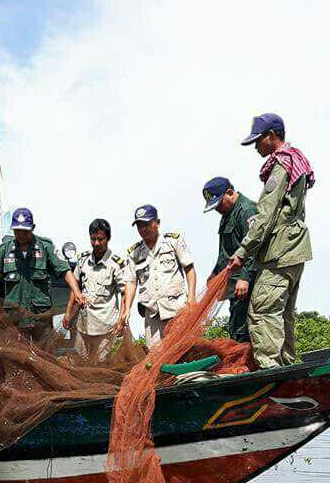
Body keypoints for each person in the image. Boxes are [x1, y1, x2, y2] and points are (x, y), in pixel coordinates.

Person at [229, 113, 314, 369]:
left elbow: (265, 215)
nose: (256, 147)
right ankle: (288, 372)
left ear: (271, 136)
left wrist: (243, 251)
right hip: (295, 249)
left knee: (262, 311)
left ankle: (271, 375)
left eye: (258, 141)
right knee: (283, 314)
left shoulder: (281, 165)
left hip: (279, 252)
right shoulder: (295, 159)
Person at [0, 208, 83, 339]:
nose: (21, 234)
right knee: (17, 355)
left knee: (44, 353)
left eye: (24, 230)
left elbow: (65, 270)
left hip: (40, 316)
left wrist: (77, 292)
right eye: (17, 230)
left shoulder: (45, 247)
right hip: (15, 318)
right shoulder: (4, 249)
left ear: (32, 228)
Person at [118, 205, 197, 345]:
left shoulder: (173, 241)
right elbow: (131, 282)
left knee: (182, 349)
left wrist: (191, 297)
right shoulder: (134, 252)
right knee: (155, 356)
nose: (143, 229)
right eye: (139, 225)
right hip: (152, 313)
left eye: (147, 224)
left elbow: (189, 269)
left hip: (176, 308)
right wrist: (127, 309)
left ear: (157, 223)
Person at [63, 218, 126, 361]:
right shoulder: (83, 260)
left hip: (105, 327)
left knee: (100, 366)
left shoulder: (116, 264)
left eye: (100, 239)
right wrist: (68, 313)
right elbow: (75, 287)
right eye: (93, 239)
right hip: (83, 325)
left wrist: (122, 318)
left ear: (107, 238)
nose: (96, 243)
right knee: (80, 362)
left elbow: (125, 293)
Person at [203, 177, 257, 342]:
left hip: (248, 284)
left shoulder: (247, 210)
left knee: (245, 330)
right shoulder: (227, 214)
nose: (217, 209)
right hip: (234, 286)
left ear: (230, 192)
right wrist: (215, 273)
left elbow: (254, 248)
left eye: (219, 204)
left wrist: (244, 278)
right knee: (235, 328)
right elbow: (226, 251)